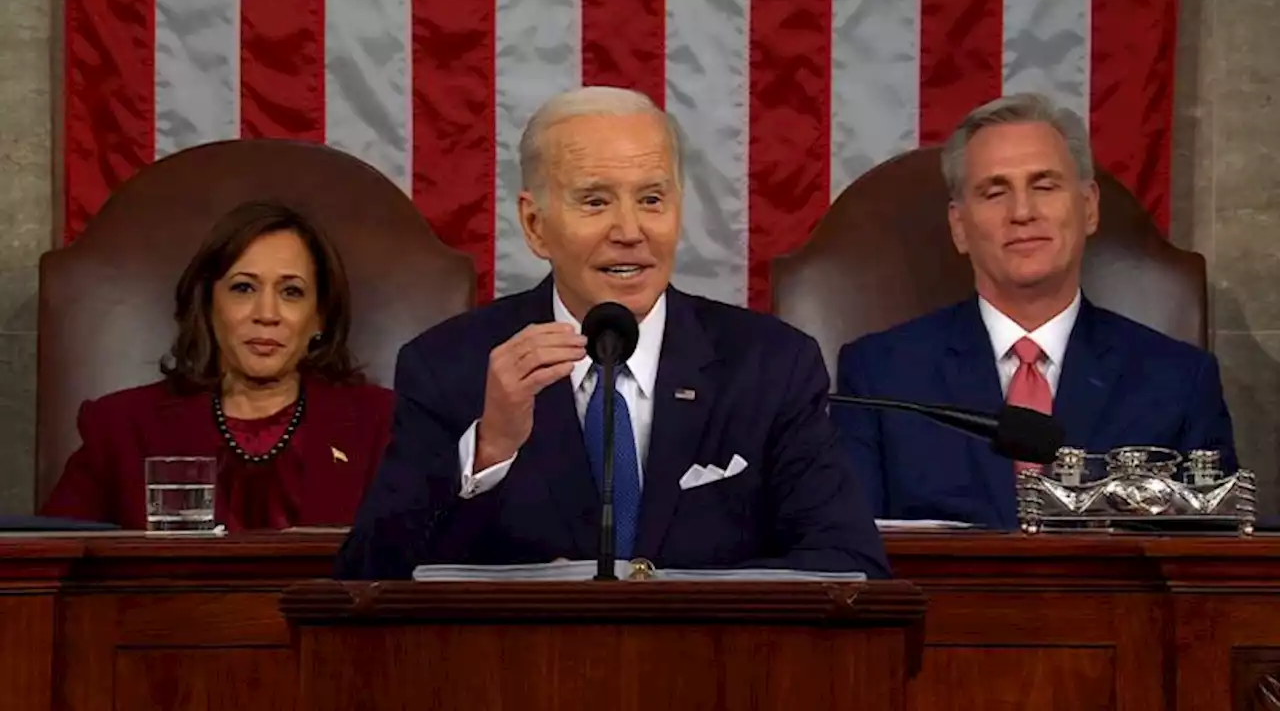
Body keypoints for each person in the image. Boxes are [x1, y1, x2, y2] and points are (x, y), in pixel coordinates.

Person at [335, 86, 889, 579]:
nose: (630, 231)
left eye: (652, 199)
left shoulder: (770, 364)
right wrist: (489, 448)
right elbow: (369, 577)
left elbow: (849, 565)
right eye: (595, 201)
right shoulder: (449, 366)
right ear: (535, 225)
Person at [833, 93, 1237, 529]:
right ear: (959, 226)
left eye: (1044, 186)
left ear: (1088, 208)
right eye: (994, 192)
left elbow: (1211, 567)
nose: (1022, 213)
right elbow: (854, 561)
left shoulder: (1179, 380)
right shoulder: (881, 377)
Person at [42, 201, 395, 530]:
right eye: (243, 288)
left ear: (320, 317)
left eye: (291, 292)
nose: (266, 314)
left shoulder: (382, 423)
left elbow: (421, 568)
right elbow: (53, 570)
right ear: (208, 306)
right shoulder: (121, 428)